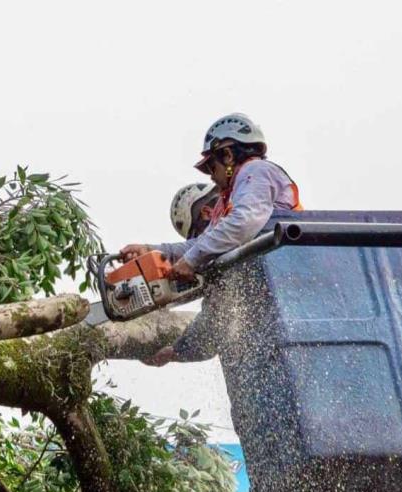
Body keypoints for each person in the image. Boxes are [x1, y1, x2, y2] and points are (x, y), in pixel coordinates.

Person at [120, 113, 303, 366]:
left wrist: (192, 261)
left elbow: (245, 223)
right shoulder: (227, 204)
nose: (211, 177)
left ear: (228, 155)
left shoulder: (256, 171)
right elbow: (202, 245)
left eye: (211, 167)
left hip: (286, 280)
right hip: (265, 303)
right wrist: (152, 251)